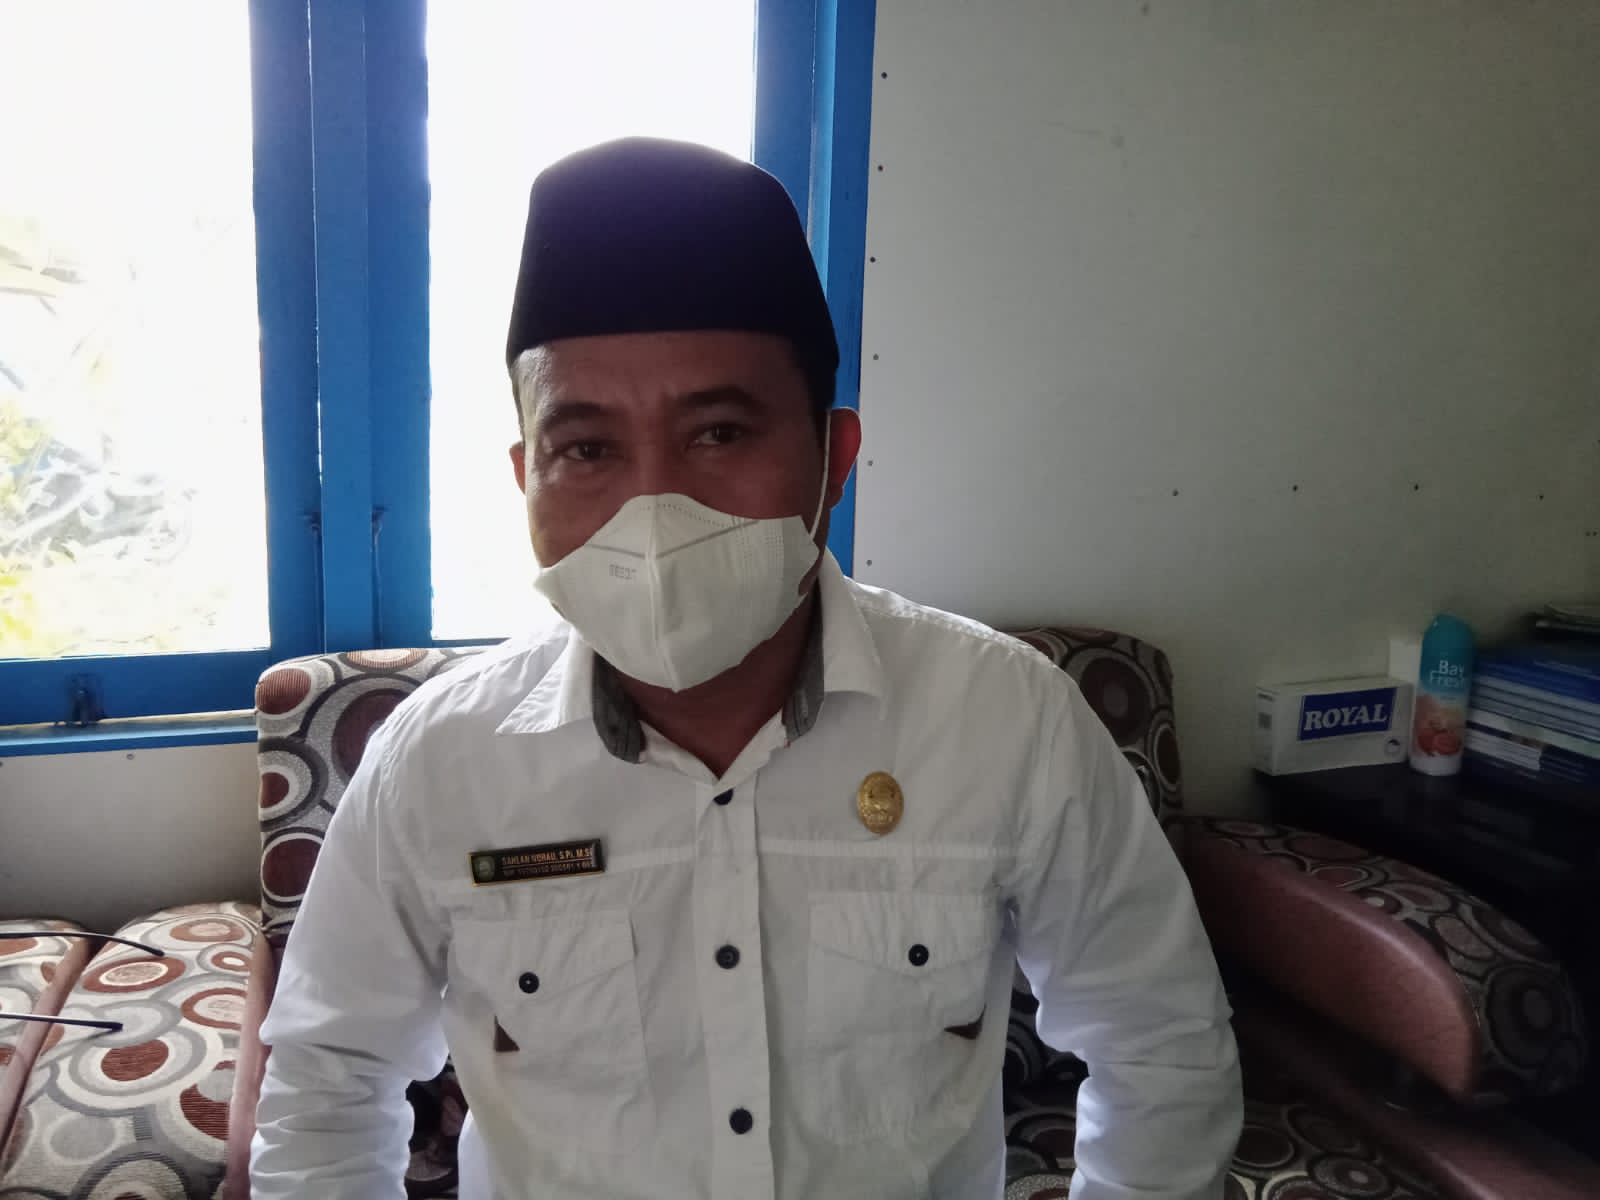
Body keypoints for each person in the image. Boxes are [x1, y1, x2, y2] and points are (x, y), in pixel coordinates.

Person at [250, 136, 1241, 1200]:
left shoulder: (1004, 721)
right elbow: (326, 1083)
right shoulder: (440, 762)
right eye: (586, 449)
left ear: (834, 460)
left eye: (718, 433)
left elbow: (1160, 1044)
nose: (652, 509)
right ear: (525, 477)